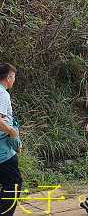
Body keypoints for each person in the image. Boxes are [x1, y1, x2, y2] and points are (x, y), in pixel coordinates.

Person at [0, 64, 22, 216]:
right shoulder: (3, 94)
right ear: (8, 77)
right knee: (13, 184)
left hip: (6, 148)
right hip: (3, 151)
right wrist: (13, 133)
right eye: (13, 77)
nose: (14, 80)